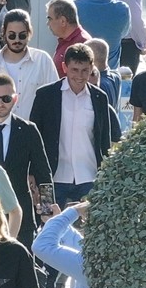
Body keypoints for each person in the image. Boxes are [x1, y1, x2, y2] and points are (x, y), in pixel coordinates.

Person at [0, 74, 55, 250]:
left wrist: (47, 211)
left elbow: (43, 173)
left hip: (20, 214)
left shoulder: (28, 130)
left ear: (15, 99)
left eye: (6, 98)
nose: (0, 103)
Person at [30, 44, 117, 209]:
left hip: (89, 177)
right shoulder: (45, 95)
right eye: (74, 69)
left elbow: (104, 139)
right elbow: (34, 138)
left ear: (92, 68)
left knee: (90, 228)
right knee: (47, 223)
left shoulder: (99, 98)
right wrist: (32, 172)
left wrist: (107, 174)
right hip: (50, 178)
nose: (79, 75)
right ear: (64, 68)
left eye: (85, 70)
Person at [0, 10, 58, 120]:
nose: (17, 40)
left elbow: (55, 99)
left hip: (34, 132)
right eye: (12, 36)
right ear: (4, 33)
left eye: (22, 36)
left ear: (29, 33)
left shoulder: (43, 60)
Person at [46, 0, 90, 77]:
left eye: (50, 19)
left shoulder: (82, 43)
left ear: (63, 21)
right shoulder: (65, 40)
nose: (48, 24)